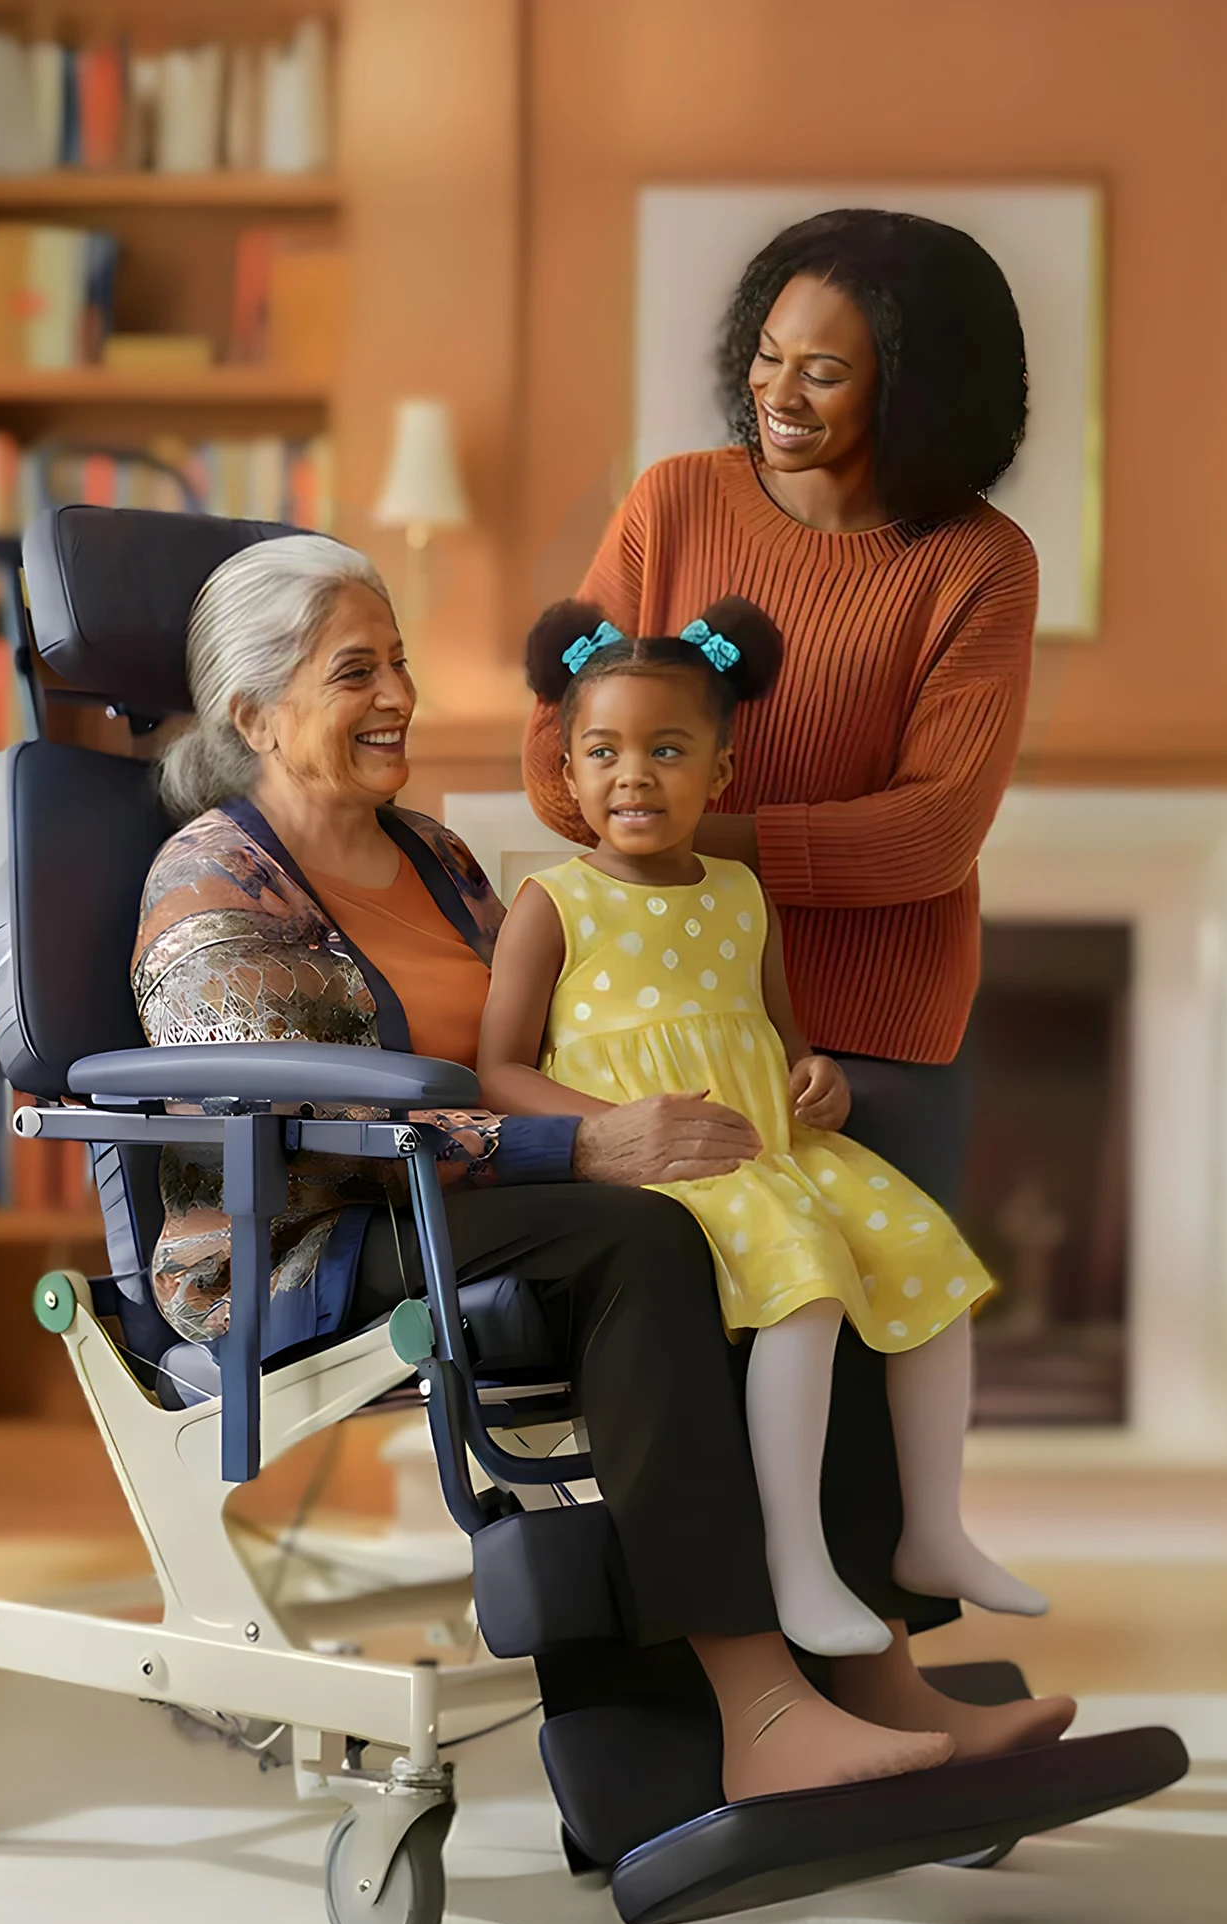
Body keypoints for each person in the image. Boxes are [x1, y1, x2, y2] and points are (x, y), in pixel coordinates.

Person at [131, 530, 1070, 1794]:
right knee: (650, 1237)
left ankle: (878, 1668)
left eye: (399, 662)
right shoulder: (211, 878)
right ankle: (759, 1715)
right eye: (358, 671)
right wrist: (579, 1142)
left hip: (488, 1185)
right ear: (255, 711)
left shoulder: (440, 859)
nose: (401, 694)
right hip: (318, 1229)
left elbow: (557, 1039)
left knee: (797, 1224)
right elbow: (300, 1118)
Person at [481, 591, 1043, 1661]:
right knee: (809, 1281)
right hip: (667, 1151)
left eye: (666, 749)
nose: (632, 774)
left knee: (932, 1258)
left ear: (721, 774)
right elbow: (500, 1067)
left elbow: (785, 1038)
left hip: (770, 1141)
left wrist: (815, 1077)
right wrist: (615, 1124)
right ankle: (795, 1560)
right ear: (567, 768)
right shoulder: (554, 901)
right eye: (602, 751)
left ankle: (933, 1531)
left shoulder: (743, 890)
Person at [519, 206, 1037, 1211]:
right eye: (767, 355)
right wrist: (679, 835)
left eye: (824, 373)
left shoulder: (980, 562)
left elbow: (932, 835)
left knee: (868, 1346)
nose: (777, 393)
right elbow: (553, 761)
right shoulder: (673, 504)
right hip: (663, 1022)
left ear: (915, 392)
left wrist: (678, 842)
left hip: (864, 1042)